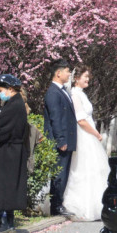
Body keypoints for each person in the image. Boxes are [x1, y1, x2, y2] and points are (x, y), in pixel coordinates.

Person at [62, 66, 111, 221]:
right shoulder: (75, 94)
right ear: (76, 79)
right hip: (84, 136)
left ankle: (99, 206)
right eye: (85, 77)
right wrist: (96, 133)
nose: (87, 79)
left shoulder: (81, 94)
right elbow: (81, 120)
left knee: (95, 169)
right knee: (84, 169)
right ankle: (84, 207)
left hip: (88, 135)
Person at [0, 74, 30, 233]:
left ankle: (3, 222)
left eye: (1, 90)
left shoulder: (13, 105)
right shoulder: (17, 103)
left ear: (10, 89)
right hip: (14, 151)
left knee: (2, 187)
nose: (0, 93)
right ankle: (8, 221)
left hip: (8, 151)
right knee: (10, 187)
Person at [43, 59, 78, 216]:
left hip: (67, 140)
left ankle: (59, 203)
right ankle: (56, 205)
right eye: (67, 71)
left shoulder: (62, 90)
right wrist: (60, 140)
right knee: (59, 174)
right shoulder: (53, 92)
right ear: (58, 73)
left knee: (63, 173)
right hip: (60, 142)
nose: (69, 73)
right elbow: (55, 119)